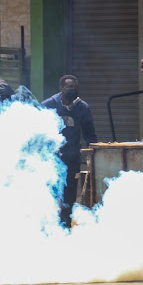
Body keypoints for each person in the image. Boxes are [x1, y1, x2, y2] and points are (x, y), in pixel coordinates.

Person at [41, 75, 97, 228]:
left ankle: (65, 225)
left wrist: (93, 155)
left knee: (70, 194)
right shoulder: (48, 105)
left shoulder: (82, 108)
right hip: (52, 158)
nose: (73, 90)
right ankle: (50, 224)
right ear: (61, 88)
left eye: (75, 87)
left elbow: (90, 135)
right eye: (69, 87)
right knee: (51, 192)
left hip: (72, 158)